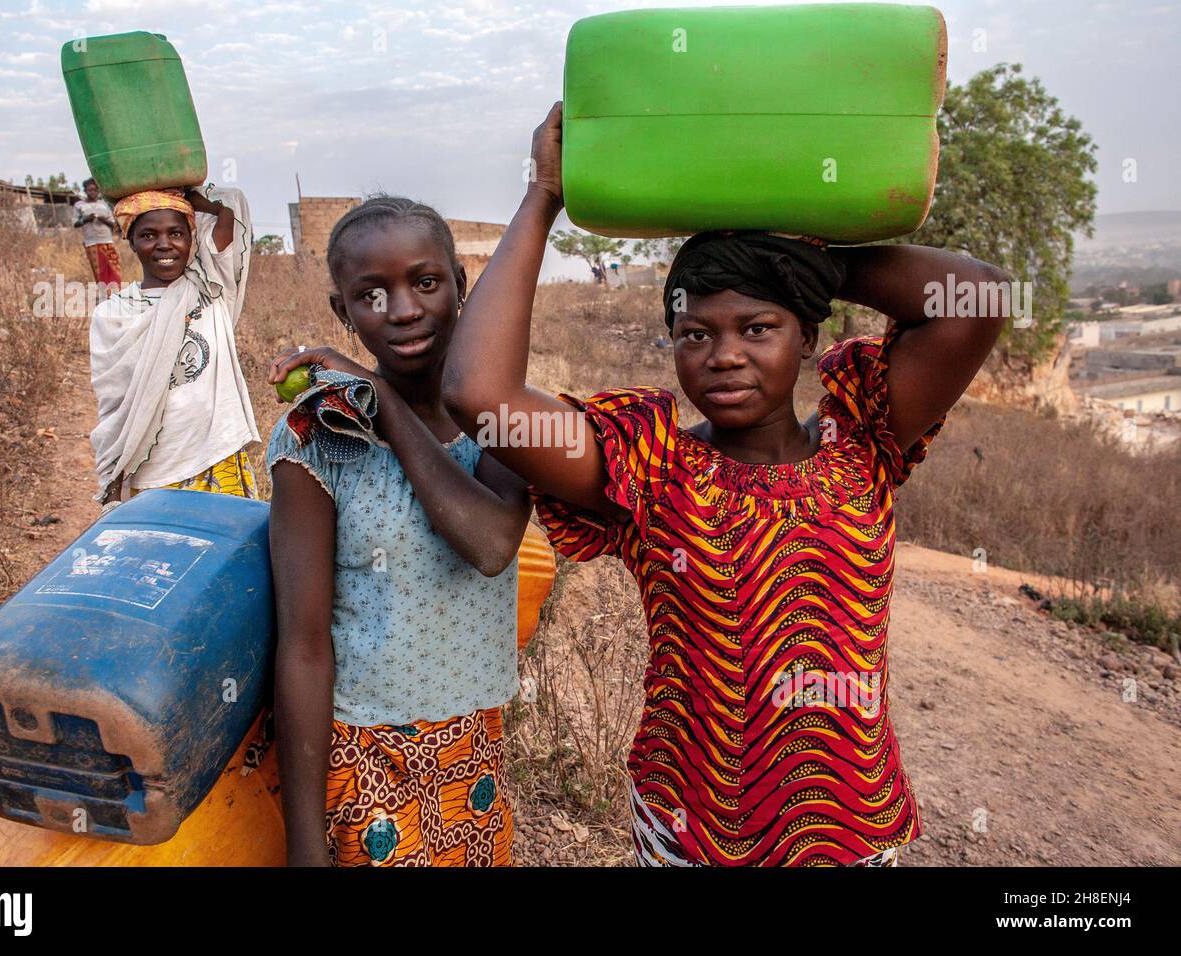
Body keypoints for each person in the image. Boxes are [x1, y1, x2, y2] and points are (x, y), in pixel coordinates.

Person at [441, 103, 1011, 866]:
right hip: (693, 828)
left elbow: (978, 299)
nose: (724, 356)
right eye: (695, 335)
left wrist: (802, 261)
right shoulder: (650, 467)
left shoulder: (864, 440)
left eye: (758, 327)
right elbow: (479, 395)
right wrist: (544, 192)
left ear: (808, 337)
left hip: (849, 826)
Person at [265, 196, 531, 867]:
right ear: (343, 314)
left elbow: (490, 543)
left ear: (461, 285)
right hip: (366, 758)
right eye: (371, 294)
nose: (403, 310)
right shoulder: (316, 437)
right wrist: (304, 844)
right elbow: (302, 644)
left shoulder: (501, 419)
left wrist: (382, 403)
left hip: (475, 745)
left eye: (426, 282)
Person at [88, 184, 260, 508]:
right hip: (153, 472)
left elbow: (230, 214)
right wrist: (113, 482)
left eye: (177, 233)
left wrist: (196, 201)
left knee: (222, 553)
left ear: (191, 239)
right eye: (149, 235)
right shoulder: (112, 315)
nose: (164, 244)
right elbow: (113, 408)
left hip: (216, 459)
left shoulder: (211, 291)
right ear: (131, 241)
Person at [73, 177, 121, 295]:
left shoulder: (104, 204)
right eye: (90, 190)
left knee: (113, 268)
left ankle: (116, 292)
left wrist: (102, 219)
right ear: (85, 191)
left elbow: (113, 224)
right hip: (92, 243)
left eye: (95, 190)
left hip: (107, 241)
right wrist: (85, 219)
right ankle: (105, 294)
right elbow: (75, 223)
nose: (93, 192)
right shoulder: (79, 205)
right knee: (100, 271)